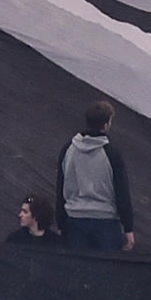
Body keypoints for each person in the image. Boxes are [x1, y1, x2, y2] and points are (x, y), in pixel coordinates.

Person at [58, 101, 135, 253]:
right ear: (106, 124)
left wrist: (61, 224)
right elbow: (122, 193)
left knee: (77, 271)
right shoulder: (112, 154)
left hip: (74, 220)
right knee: (106, 271)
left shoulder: (68, 150)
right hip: (105, 222)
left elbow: (60, 189)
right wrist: (128, 228)